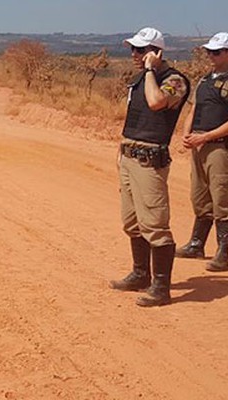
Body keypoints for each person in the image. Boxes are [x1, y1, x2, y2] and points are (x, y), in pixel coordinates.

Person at [109, 27, 190, 307]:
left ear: (156, 53)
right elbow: (133, 119)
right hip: (129, 155)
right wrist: (120, 152)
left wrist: (150, 71)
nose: (135, 54)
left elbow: (157, 103)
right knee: (131, 222)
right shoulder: (139, 80)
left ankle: (161, 287)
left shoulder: (175, 81)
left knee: (154, 225)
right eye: (133, 49)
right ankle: (141, 274)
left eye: (141, 50)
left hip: (150, 160)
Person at [179, 33, 228, 271]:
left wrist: (206, 136)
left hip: (219, 145)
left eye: (216, 52)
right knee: (199, 196)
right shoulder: (205, 79)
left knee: (222, 198)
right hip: (198, 144)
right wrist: (186, 133)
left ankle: (225, 252)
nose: (210, 55)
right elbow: (194, 108)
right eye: (209, 51)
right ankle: (197, 243)